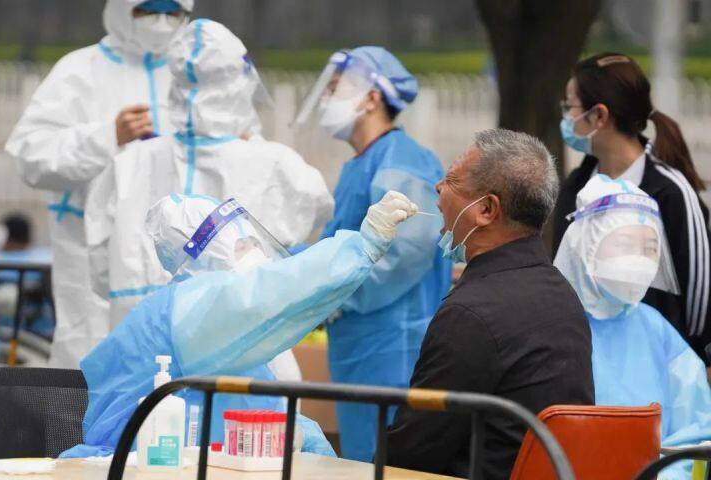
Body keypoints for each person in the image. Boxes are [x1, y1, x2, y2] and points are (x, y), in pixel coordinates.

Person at [62, 190, 418, 457]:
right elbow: (270, 292)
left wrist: (304, 440)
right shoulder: (186, 311)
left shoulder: (216, 331)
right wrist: (362, 245)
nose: (256, 254)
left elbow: (259, 407)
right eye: (243, 245)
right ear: (204, 255)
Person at [85, 19, 333, 383]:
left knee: (149, 420)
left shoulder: (129, 164)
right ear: (241, 82)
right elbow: (315, 217)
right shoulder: (277, 166)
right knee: (247, 420)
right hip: (243, 356)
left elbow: (99, 269)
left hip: (141, 354)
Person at [386, 129, 595, 480]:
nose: (438, 187)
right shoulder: (562, 295)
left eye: (452, 180)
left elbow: (411, 453)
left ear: (486, 209)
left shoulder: (471, 314)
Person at [4, 0, 195, 368]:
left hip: (173, 250)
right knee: (90, 359)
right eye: (148, 10)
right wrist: (107, 136)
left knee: (169, 365)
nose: (161, 22)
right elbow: (31, 155)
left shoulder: (188, 72)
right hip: (89, 249)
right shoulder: (81, 70)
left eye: (172, 13)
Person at [292, 46, 452, 462]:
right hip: (363, 349)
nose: (326, 98)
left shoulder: (402, 161)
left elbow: (401, 256)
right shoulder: (363, 165)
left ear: (372, 98)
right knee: (364, 461)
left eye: (335, 88)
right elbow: (342, 247)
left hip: (395, 348)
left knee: (387, 464)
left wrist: (331, 292)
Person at [551, 53, 711, 362]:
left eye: (569, 107)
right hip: (583, 363)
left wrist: (695, 363)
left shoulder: (670, 192)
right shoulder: (577, 186)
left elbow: (699, 296)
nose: (566, 119)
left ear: (599, 115)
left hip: (657, 366)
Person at [554, 175, 711, 480]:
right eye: (625, 245)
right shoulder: (554, 325)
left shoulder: (656, 329)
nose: (639, 261)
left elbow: (699, 427)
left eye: (650, 247)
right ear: (585, 246)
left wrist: (664, 475)